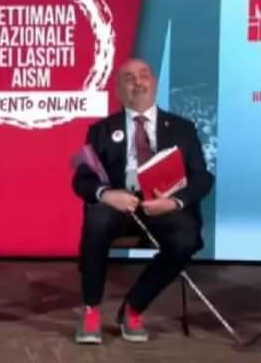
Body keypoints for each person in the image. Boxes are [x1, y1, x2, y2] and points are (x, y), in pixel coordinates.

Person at [72, 58, 214, 344]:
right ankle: (91, 310)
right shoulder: (101, 130)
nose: (137, 82)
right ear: (117, 90)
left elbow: (202, 177)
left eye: (143, 75)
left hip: (164, 204)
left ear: (154, 84)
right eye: (129, 78)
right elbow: (82, 179)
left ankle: (134, 307)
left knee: (186, 239)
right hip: (119, 204)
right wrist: (107, 194)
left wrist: (174, 203)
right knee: (96, 220)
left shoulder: (182, 128)